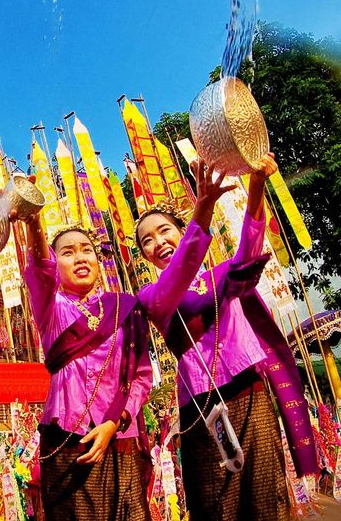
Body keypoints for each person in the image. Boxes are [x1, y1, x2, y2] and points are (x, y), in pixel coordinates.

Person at [16, 161, 227, 520]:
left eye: (86, 249)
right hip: (68, 443)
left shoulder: (125, 308)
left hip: (123, 439)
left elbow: (143, 375)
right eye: (67, 252)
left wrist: (117, 420)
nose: (80, 256)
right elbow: (39, 268)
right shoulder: (51, 310)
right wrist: (34, 220)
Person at [135, 153, 318, 520]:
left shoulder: (221, 274)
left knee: (266, 494)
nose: (158, 242)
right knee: (216, 504)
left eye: (165, 230)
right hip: (199, 408)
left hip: (249, 391)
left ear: (181, 229)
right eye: (147, 241)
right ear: (143, 256)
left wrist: (257, 184)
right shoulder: (151, 297)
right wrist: (202, 211)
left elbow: (249, 251)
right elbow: (183, 268)